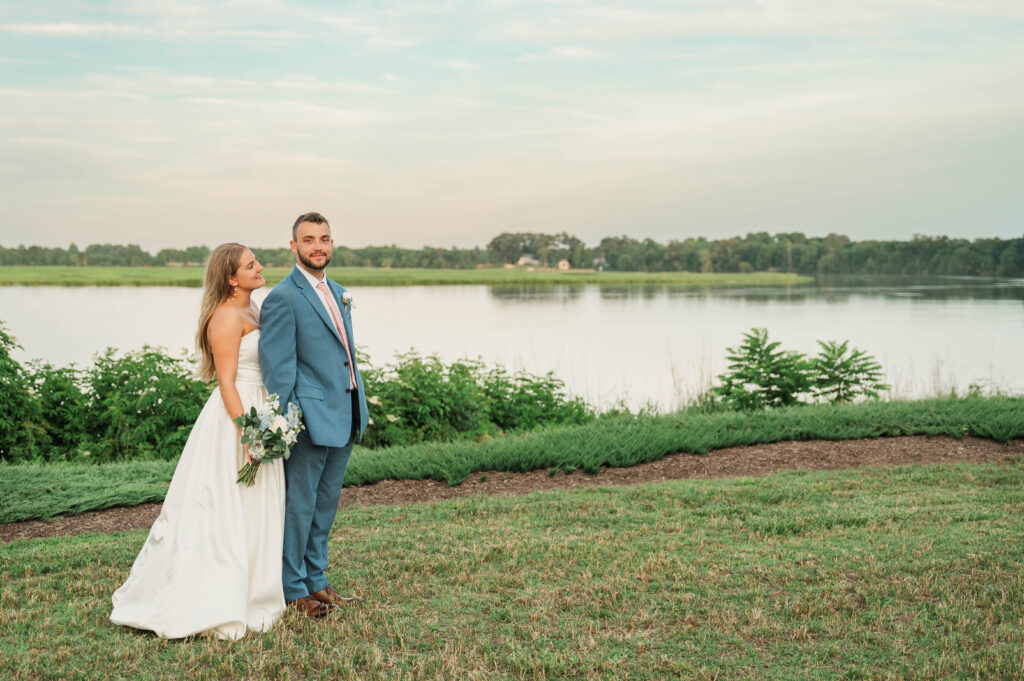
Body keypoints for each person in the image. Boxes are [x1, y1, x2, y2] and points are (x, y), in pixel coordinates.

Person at [110, 244, 286, 640]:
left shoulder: (255, 309)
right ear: (230, 277)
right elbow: (225, 381)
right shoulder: (224, 316)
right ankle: (211, 597)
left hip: (262, 406)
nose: (260, 267)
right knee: (223, 506)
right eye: (250, 264)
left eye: (257, 261)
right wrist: (248, 432)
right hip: (237, 414)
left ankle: (255, 590)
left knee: (255, 506)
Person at [259, 211, 369, 618]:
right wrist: (287, 423)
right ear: (294, 247)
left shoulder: (338, 290)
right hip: (306, 420)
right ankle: (292, 590)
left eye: (324, 238)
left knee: (325, 505)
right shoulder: (283, 297)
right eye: (309, 240)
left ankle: (317, 581)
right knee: (300, 507)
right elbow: (278, 370)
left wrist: (359, 403)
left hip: (346, 412)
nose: (318, 246)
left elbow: (344, 358)